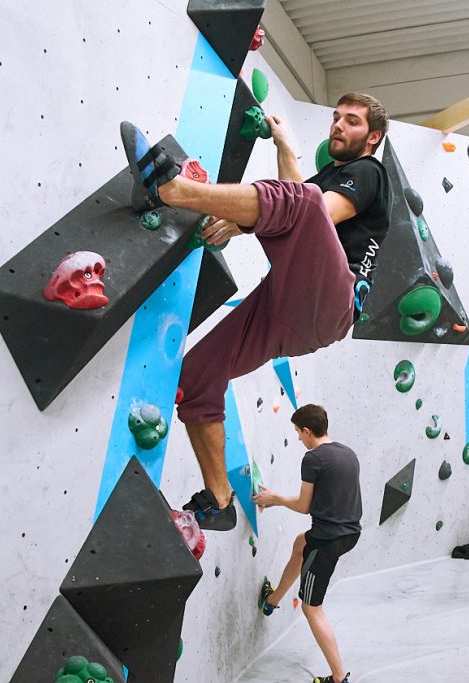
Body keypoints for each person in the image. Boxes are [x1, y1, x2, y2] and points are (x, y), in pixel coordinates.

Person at [120, 93, 390, 530]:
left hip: (330, 303)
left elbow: (313, 208)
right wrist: (283, 147)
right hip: (291, 306)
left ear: (372, 137)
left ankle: (175, 190)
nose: (338, 126)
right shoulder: (332, 176)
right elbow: (298, 200)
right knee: (197, 376)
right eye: (336, 118)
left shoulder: (369, 172)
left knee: (302, 202)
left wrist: (245, 222)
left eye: (352, 122)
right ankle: (220, 499)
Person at [253, 404, 362, 683]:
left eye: (298, 433)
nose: (299, 438)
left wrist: (274, 499)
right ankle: (273, 600)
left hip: (328, 540)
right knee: (301, 543)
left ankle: (339, 678)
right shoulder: (347, 453)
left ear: (307, 430)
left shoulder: (313, 459)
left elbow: (304, 506)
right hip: (349, 532)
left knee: (311, 607)